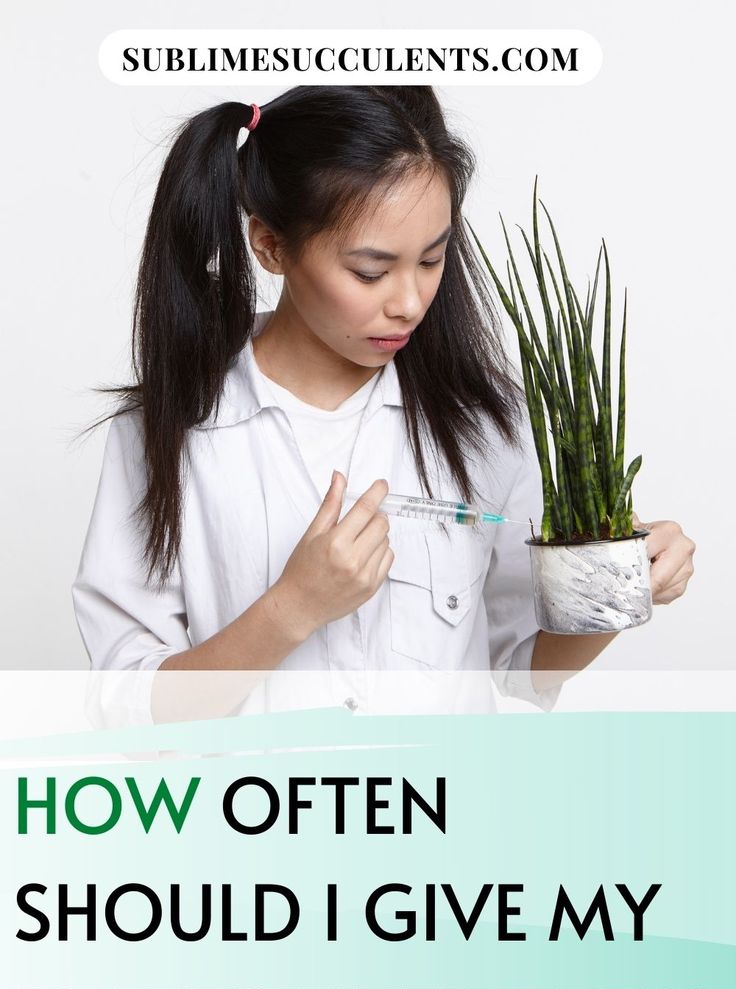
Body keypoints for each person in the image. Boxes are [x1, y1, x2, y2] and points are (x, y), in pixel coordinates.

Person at [71, 86, 695, 714]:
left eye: (432, 259)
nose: (409, 302)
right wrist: (294, 607)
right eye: (370, 272)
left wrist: (616, 588)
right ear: (270, 246)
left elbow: (517, 664)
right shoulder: (170, 430)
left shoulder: (486, 423)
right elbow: (129, 708)